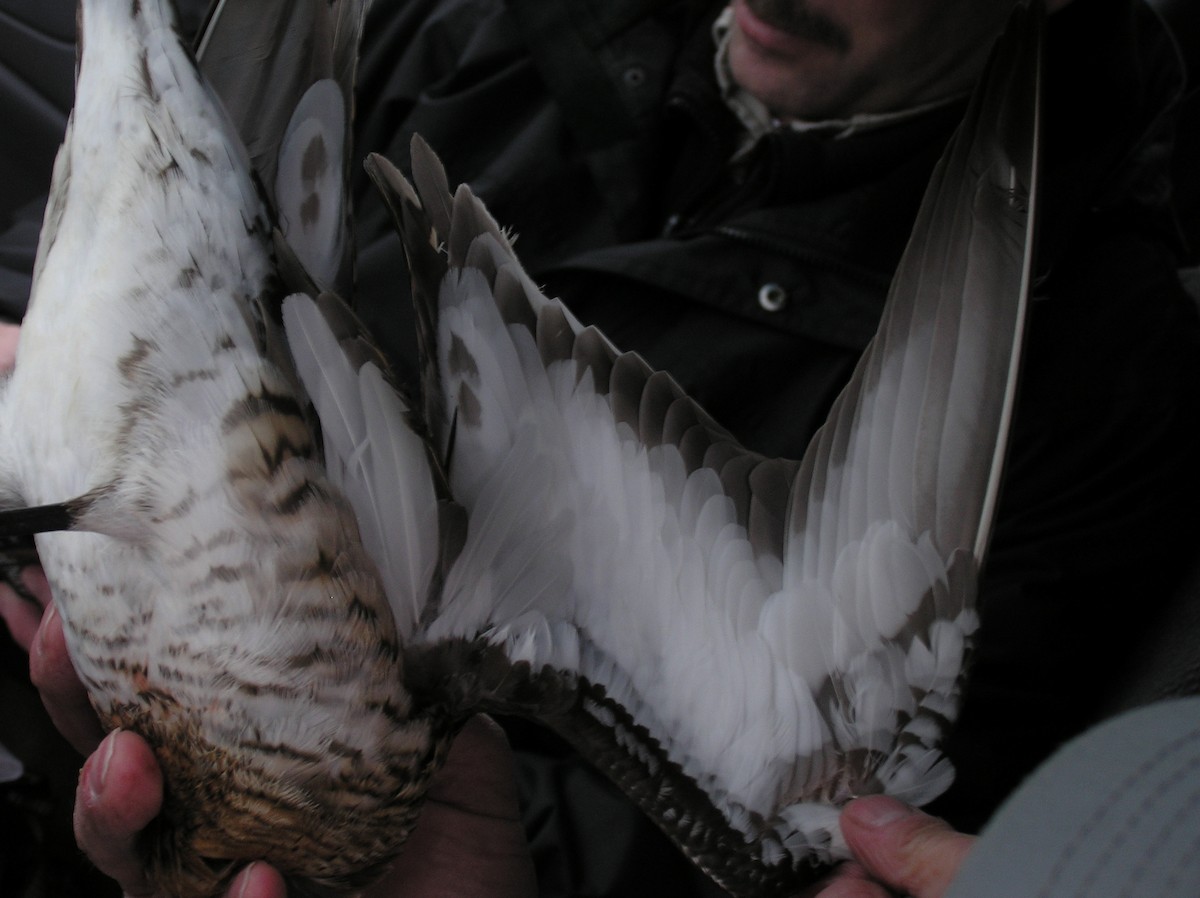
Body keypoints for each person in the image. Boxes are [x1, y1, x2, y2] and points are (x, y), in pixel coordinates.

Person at [3, 0, 1200, 896]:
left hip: (384, 813)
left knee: (825, 774)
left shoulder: (1103, 361)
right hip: (117, 435)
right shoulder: (510, 17)